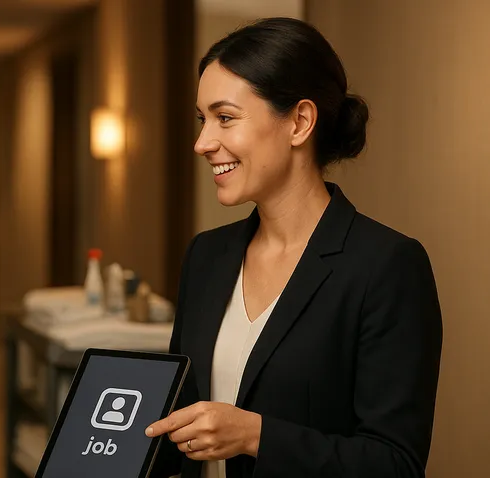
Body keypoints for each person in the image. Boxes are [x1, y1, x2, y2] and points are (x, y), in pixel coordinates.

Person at [145, 17, 443, 478]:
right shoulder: (206, 255)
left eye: (225, 118)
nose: (203, 143)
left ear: (300, 122)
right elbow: (178, 426)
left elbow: (395, 464)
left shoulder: (386, 266)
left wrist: (255, 435)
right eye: (204, 120)